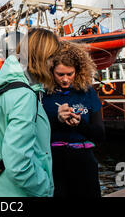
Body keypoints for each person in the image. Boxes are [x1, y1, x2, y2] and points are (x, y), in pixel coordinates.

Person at [0, 28, 60, 197]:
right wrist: (45, 187)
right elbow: (18, 165)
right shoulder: (24, 96)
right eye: (52, 58)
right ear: (41, 58)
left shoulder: (1, 86)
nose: (54, 64)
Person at [42, 41, 105, 198]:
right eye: (60, 74)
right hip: (55, 164)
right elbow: (36, 134)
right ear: (51, 72)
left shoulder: (88, 93)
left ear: (78, 71)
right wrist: (57, 120)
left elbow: (100, 134)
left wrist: (80, 124)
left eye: (69, 74)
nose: (65, 80)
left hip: (84, 163)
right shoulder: (43, 95)